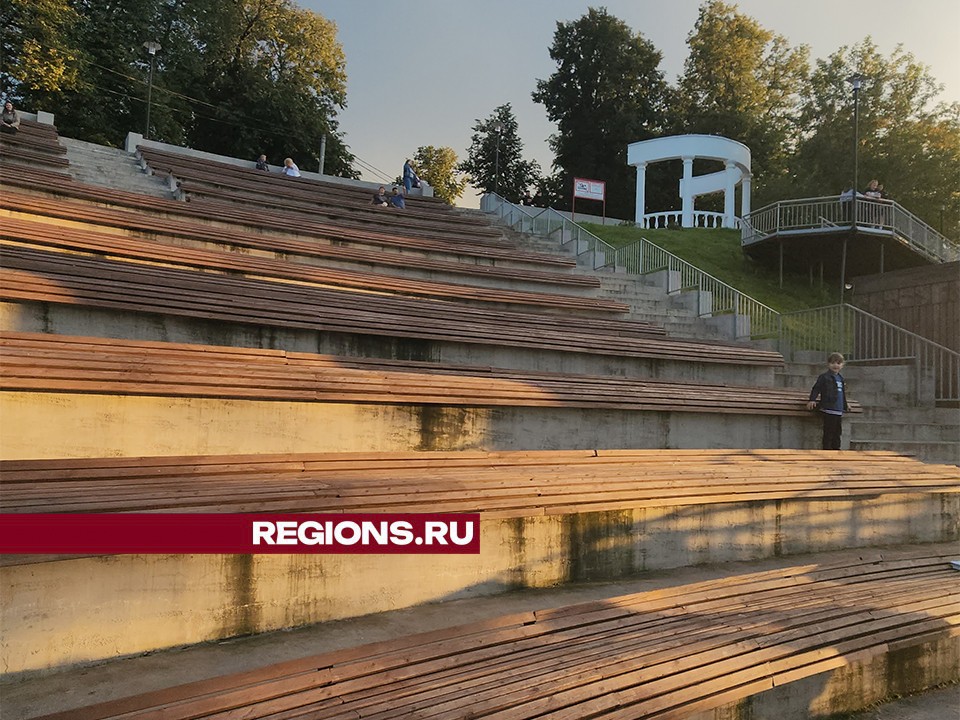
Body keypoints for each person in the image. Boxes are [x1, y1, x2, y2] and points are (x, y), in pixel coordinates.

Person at [806, 352, 850, 450]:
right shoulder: (824, 377)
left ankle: (836, 450)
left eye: (838, 363)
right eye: (833, 363)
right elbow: (816, 388)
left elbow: (842, 394)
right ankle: (827, 450)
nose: (835, 365)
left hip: (839, 410)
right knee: (829, 432)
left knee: (837, 433)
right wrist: (812, 399)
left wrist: (845, 405)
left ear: (842, 365)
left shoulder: (840, 378)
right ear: (828, 364)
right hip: (829, 409)